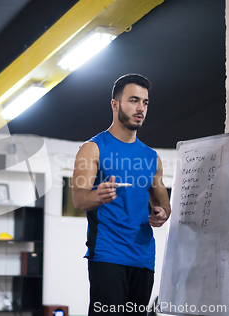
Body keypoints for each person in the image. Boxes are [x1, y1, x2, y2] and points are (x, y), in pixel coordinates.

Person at [72, 74, 171, 315]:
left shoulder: (151, 157)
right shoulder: (93, 148)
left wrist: (161, 213)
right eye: (134, 100)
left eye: (145, 102)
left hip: (143, 257)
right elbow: (78, 199)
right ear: (115, 104)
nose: (141, 109)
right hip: (107, 255)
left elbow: (162, 203)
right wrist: (99, 195)